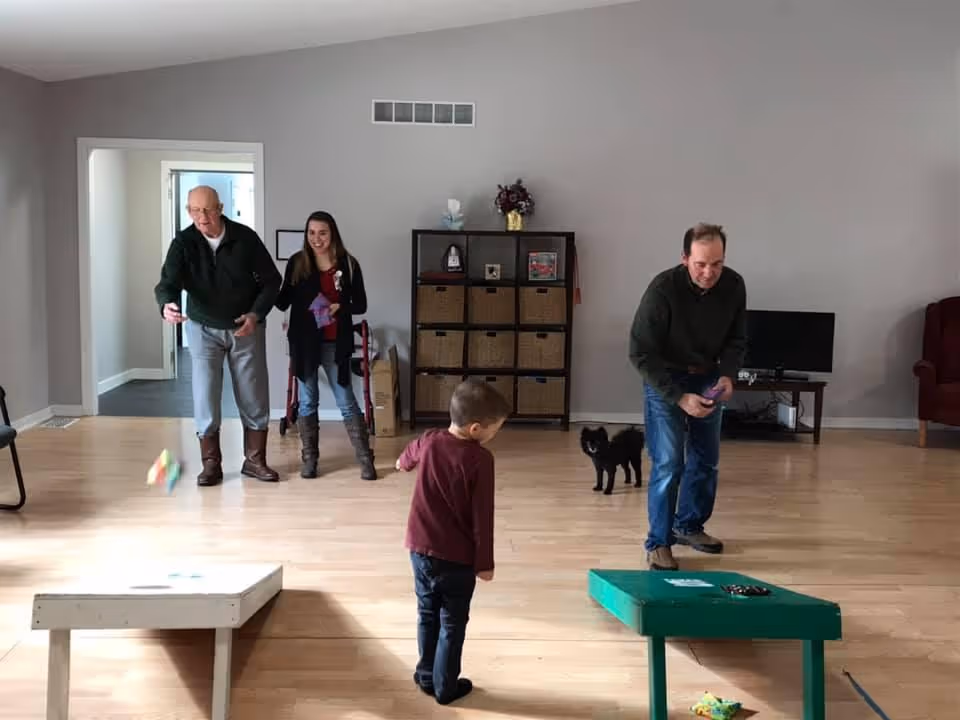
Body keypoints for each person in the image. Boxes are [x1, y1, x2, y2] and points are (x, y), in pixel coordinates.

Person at [628, 222, 747, 571]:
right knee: (669, 463)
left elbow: (737, 340)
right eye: (701, 264)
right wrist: (679, 397)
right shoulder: (662, 290)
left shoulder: (734, 285)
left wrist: (728, 374)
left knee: (705, 460)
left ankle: (689, 526)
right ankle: (659, 542)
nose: (710, 272)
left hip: (708, 375)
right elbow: (640, 353)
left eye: (717, 263)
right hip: (665, 378)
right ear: (684, 258)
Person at [154, 185, 282, 486]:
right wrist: (167, 305)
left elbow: (271, 281)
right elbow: (167, 282)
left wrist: (255, 314)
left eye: (208, 210)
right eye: (195, 210)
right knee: (205, 395)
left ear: (220, 207)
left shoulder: (245, 238)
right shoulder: (183, 243)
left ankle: (255, 461)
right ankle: (211, 465)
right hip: (202, 329)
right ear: (188, 211)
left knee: (254, 394)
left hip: (244, 327)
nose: (202, 217)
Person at [394, 379, 510, 705]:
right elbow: (482, 518)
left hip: (419, 549)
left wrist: (402, 464)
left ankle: (426, 675)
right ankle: (446, 687)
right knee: (452, 622)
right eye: (494, 429)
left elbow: (408, 456)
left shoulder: (430, 440)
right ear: (475, 428)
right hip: (455, 559)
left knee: (426, 612)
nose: (493, 436)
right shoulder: (480, 460)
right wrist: (484, 564)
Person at [274, 211, 377, 480]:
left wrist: (340, 306)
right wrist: (263, 283)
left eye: (322, 233)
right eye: (311, 233)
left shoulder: (348, 264)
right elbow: (282, 301)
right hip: (304, 342)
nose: (316, 239)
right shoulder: (297, 262)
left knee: (346, 400)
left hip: (335, 341)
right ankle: (310, 460)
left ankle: (366, 459)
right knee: (308, 401)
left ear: (333, 234)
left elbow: (361, 304)